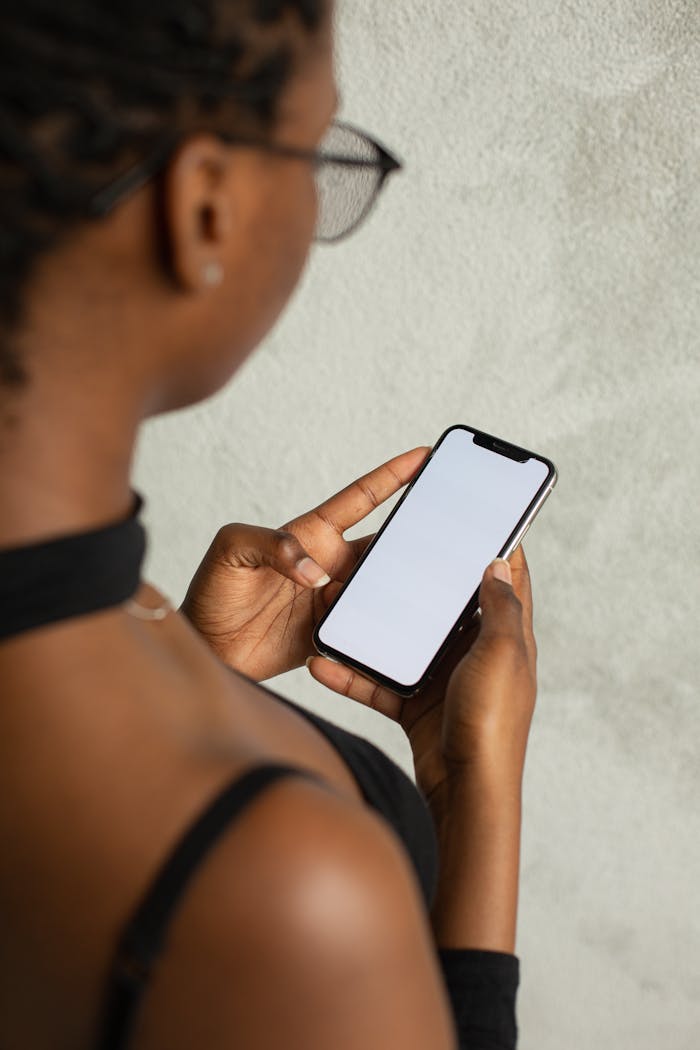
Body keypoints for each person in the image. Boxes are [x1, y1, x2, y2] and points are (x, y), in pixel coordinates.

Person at [0, 2, 538, 1047]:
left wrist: (196, 678)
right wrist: (474, 793)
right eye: (315, 154)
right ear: (204, 205)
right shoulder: (283, 893)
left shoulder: (118, 635)